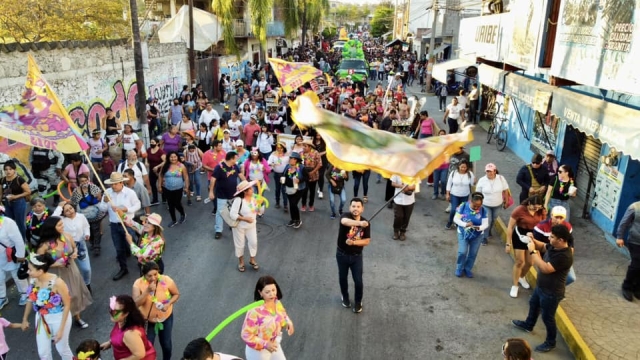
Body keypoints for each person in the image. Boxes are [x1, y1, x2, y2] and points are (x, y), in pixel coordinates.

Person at [511, 224, 573, 353]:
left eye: (552, 237)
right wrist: (532, 240)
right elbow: (543, 246)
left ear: (561, 240)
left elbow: (545, 268)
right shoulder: (555, 246)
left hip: (552, 293)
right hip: (541, 287)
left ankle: (551, 342)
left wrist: (533, 251)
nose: (549, 238)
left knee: (547, 318)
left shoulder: (564, 256)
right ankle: (529, 324)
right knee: (533, 304)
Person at [35, 217, 93, 328]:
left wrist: (75, 253)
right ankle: (60, 323)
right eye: (59, 225)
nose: (63, 227)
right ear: (52, 228)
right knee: (59, 298)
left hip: (71, 270)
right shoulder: (45, 245)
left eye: (62, 224)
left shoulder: (66, 236)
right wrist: (55, 264)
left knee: (75, 294)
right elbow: (37, 263)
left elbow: (75, 247)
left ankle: (77, 317)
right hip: (55, 274)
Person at [21, 253, 74, 360]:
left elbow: (67, 305)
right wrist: (25, 319)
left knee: (62, 349)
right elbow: (30, 299)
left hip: (59, 317)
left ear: (40, 271)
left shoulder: (58, 283)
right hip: (41, 318)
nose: (28, 272)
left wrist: (61, 330)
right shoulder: (33, 281)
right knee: (43, 353)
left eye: (30, 270)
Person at [132, 262, 180, 360]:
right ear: (143, 275)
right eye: (149, 276)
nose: (153, 278)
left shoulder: (166, 280)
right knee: (148, 346)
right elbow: (136, 304)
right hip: (148, 321)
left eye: (155, 274)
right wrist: (147, 291)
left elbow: (176, 294)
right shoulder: (138, 284)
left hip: (165, 318)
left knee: (166, 345)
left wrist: (168, 304)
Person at [99, 172, 141, 281]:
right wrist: (104, 201)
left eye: (116, 184)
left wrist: (126, 210)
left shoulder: (130, 192)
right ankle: (123, 268)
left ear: (121, 182)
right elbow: (102, 209)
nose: (113, 186)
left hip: (127, 223)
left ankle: (142, 263)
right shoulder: (107, 193)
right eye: (112, 184)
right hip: (114, 225)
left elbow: (137, 204)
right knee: (119, 248)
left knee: (133, 244)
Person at [241, 276, 294, 360]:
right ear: (260, 292)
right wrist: (265, 344)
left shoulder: (277, 303)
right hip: (258, 353)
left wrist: (288, 322)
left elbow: (283, 315)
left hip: (274, 344)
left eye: (273, 290)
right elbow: (246, 335)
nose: (272, 294)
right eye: (267, 292)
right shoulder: (254, 312)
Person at [506, 195, 547, 298]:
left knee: (530, 262)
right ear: (529, 203)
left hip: (533, 236)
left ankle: (521, 277)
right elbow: (510, 226)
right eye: (534, 207)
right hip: (520, 235)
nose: (536, 209)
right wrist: (508, 243)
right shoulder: (519, 210)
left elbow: (543, 225)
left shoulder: (541, 211)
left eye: (538, 207)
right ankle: (515, 286)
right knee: (520, 261)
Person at [336, 198, 371, 313]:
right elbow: (345, 222)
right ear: (350, 207)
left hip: (357, 256)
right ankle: (345, 297)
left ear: (362, 209)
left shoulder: (366, 222)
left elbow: (366, 241)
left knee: (358, 281)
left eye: (358, 207)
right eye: (353, 206)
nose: (355, 208)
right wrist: (360, 223)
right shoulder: (345, 216)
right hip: (342, 254)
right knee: (342, 278)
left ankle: (358, 301)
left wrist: (354, 242)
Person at [52, 202, 93, 294]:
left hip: (80, 245)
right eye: (66, 210)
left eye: (70, 208)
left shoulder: (81, 216)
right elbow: (52, 218)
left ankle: (87, 284)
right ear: (63, 213)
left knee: (86, 269)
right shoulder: (61, 219)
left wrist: (87, 234)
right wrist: (59, 206)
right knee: (69, 270)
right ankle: (70, 290)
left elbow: (86, 226)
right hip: (66, 247)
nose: (70, 211)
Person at [101, 294, 157, 360]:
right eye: (111, 309)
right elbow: (118, 335)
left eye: (115, 311)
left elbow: (139, 354)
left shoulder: (130, 334)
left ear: (126, 313)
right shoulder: (120, 321)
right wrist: (110, 342)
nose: (111, 312)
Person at [230, 180, 265, 272]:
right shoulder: (238, 200)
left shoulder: (254, 198)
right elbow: (232, 214)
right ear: (244, 191)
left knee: (253, 242)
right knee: (240, 245)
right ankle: (241, 262)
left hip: (252, 226)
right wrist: (245, 219)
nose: (252, 189)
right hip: (239, 227)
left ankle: (252, 259)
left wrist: (260, 204)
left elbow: (260, 212)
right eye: (249, 188)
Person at [209, 151, 245, 239]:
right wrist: (211, 192)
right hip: (222, 194)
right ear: (232, 158)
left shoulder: (235, 166)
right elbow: (213, 180)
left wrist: (247, 185)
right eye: (236, 158)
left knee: (233, 210)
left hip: (234, 194)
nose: (237, 159)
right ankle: (218, 230)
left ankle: (231, 223)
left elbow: (241, 176)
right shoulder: (219, 167)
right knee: (220, 212)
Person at [453, 193, 488, 277]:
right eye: (474, 205)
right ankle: (459, 268)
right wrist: (465, 224)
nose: (476, 208)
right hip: (463, 233)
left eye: (478, 206)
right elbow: (456, 219)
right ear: (471, 201)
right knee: (462, 252)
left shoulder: (483, 210)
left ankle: (467, 268)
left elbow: (485, 224)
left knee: (473, 253)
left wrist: (479, 228)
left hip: (477, 235)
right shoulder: (463, 206)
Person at [475, 163, 510, 245]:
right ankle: (484, 237)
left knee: (493, 220)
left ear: (495, 171)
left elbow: (505, 190)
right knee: (488, 220)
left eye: (491, 171)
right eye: (487, 171)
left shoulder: (501, 178)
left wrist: (507, 201)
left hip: (498, 205)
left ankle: (488, 231)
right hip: (485, 204)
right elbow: (477, 193)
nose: (489, 173)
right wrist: (477, 204)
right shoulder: (482, 180)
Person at [0, 206, 28, 308]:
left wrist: (20, 256)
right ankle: (2, 297)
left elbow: (18, 240)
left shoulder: (8, 223)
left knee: (17, 275)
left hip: (10, 255)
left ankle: (25, 293)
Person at [615, 201, 640, 302]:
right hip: (636, 241)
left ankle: (637, 287)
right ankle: (627, 286)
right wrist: (619, 237)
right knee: (636, 265)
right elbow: (624, 223)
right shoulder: (634, 207)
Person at [1, 160, 31, 239]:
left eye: (10, 169)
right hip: (8, 203)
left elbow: (28, 191)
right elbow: (1, 193)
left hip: (19, 203)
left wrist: (15, 196)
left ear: (14, 170)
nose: (8, 171)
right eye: (6, 169)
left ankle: (22, 241)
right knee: (9, 222)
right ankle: (12, 240)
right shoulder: (2, 180)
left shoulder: (19, 179)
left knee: (20, 223)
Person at [445, 159, 475, 229]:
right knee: (454, 209)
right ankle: (450, 222)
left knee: (461, 210)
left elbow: (472, 184)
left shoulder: (470, 174)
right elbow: (449, 183)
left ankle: (458, 222)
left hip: (464, 195)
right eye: (462, 167)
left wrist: (474, 180)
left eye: (465, 167)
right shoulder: (453, 173)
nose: (463, 169)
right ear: (458, 166)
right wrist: (447, 194)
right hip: (454, 194)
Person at [281, 152, 306, 229]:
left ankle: (298, 220)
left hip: (299, 189)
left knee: (294, 204)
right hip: (289, 188)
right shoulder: (287, 166)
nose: (290, 159)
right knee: (291, 204)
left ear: (296, 160)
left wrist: (300, 180)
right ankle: (293, 219)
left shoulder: (301, 167)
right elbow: (283, 174)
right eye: (290, 158)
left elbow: (306, 177)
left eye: (292, 158)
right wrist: (282, 179)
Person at [390, 175, 417, 241]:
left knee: (406, 217)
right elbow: (393, 183)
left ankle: (402, 232)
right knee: (398, 216)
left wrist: (408, 188)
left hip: (409, 200)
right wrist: (401, 186)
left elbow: (415, 186)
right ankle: (396, 231)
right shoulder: (397, 171)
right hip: (398, 199)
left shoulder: (415, 173)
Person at [300, 140, 322, 212]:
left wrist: (313, 172)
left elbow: (319, 164)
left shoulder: (316, 153)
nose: (303, 147)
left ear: (310, 147)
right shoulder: (301, 153)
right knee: (304, 190)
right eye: (303, 146)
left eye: (305, 146)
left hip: (313, 175)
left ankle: (311, 205)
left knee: (312, 191)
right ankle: (303, 204)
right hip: (304, 175)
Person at [267, 142, 289, 211]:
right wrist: (272, 164)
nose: (279, 149)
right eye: (278, 148)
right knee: (277, 189)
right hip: (276, 174)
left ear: (284, 148)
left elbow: (290, 164)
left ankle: (285, 205)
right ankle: (277, 202)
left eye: (281, 148)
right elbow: (268, 162)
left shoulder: (287, 155)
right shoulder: (273, 154)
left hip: (284, 175)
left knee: (284, 190)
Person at [146, 137, 166, 206]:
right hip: (152, 170)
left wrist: (157, 166)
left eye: (153, 143)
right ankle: (155, 199)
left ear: (157, 143)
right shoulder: (149, 150)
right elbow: (146, 157)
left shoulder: (161, 152)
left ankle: (164, 198)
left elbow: (165, 161)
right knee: (152, 184)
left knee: (162, 184)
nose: (151, 144)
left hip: (160, 171)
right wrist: (146, 162)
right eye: (151, 142)